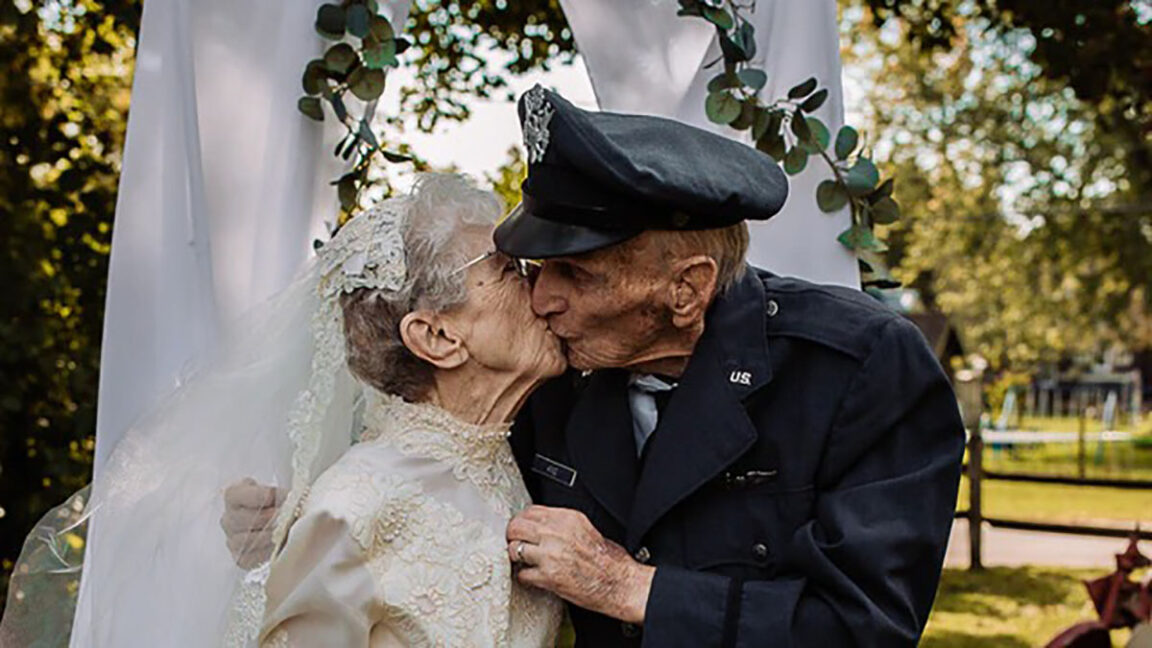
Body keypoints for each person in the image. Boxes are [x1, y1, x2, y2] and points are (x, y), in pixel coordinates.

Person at [224, 86, 965, 646]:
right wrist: (294, 510)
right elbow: (426, 453)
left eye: (575, 276)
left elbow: (867, 627)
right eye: (531, 268)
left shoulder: (859, 367)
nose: (540, 298)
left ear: (687, 288)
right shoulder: (552, 375)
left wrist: (630, 587)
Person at [2, 173, 564, 647]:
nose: (540, 278)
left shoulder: (507, 456)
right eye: (508, 270)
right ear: (437, 336)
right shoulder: (354, 502)